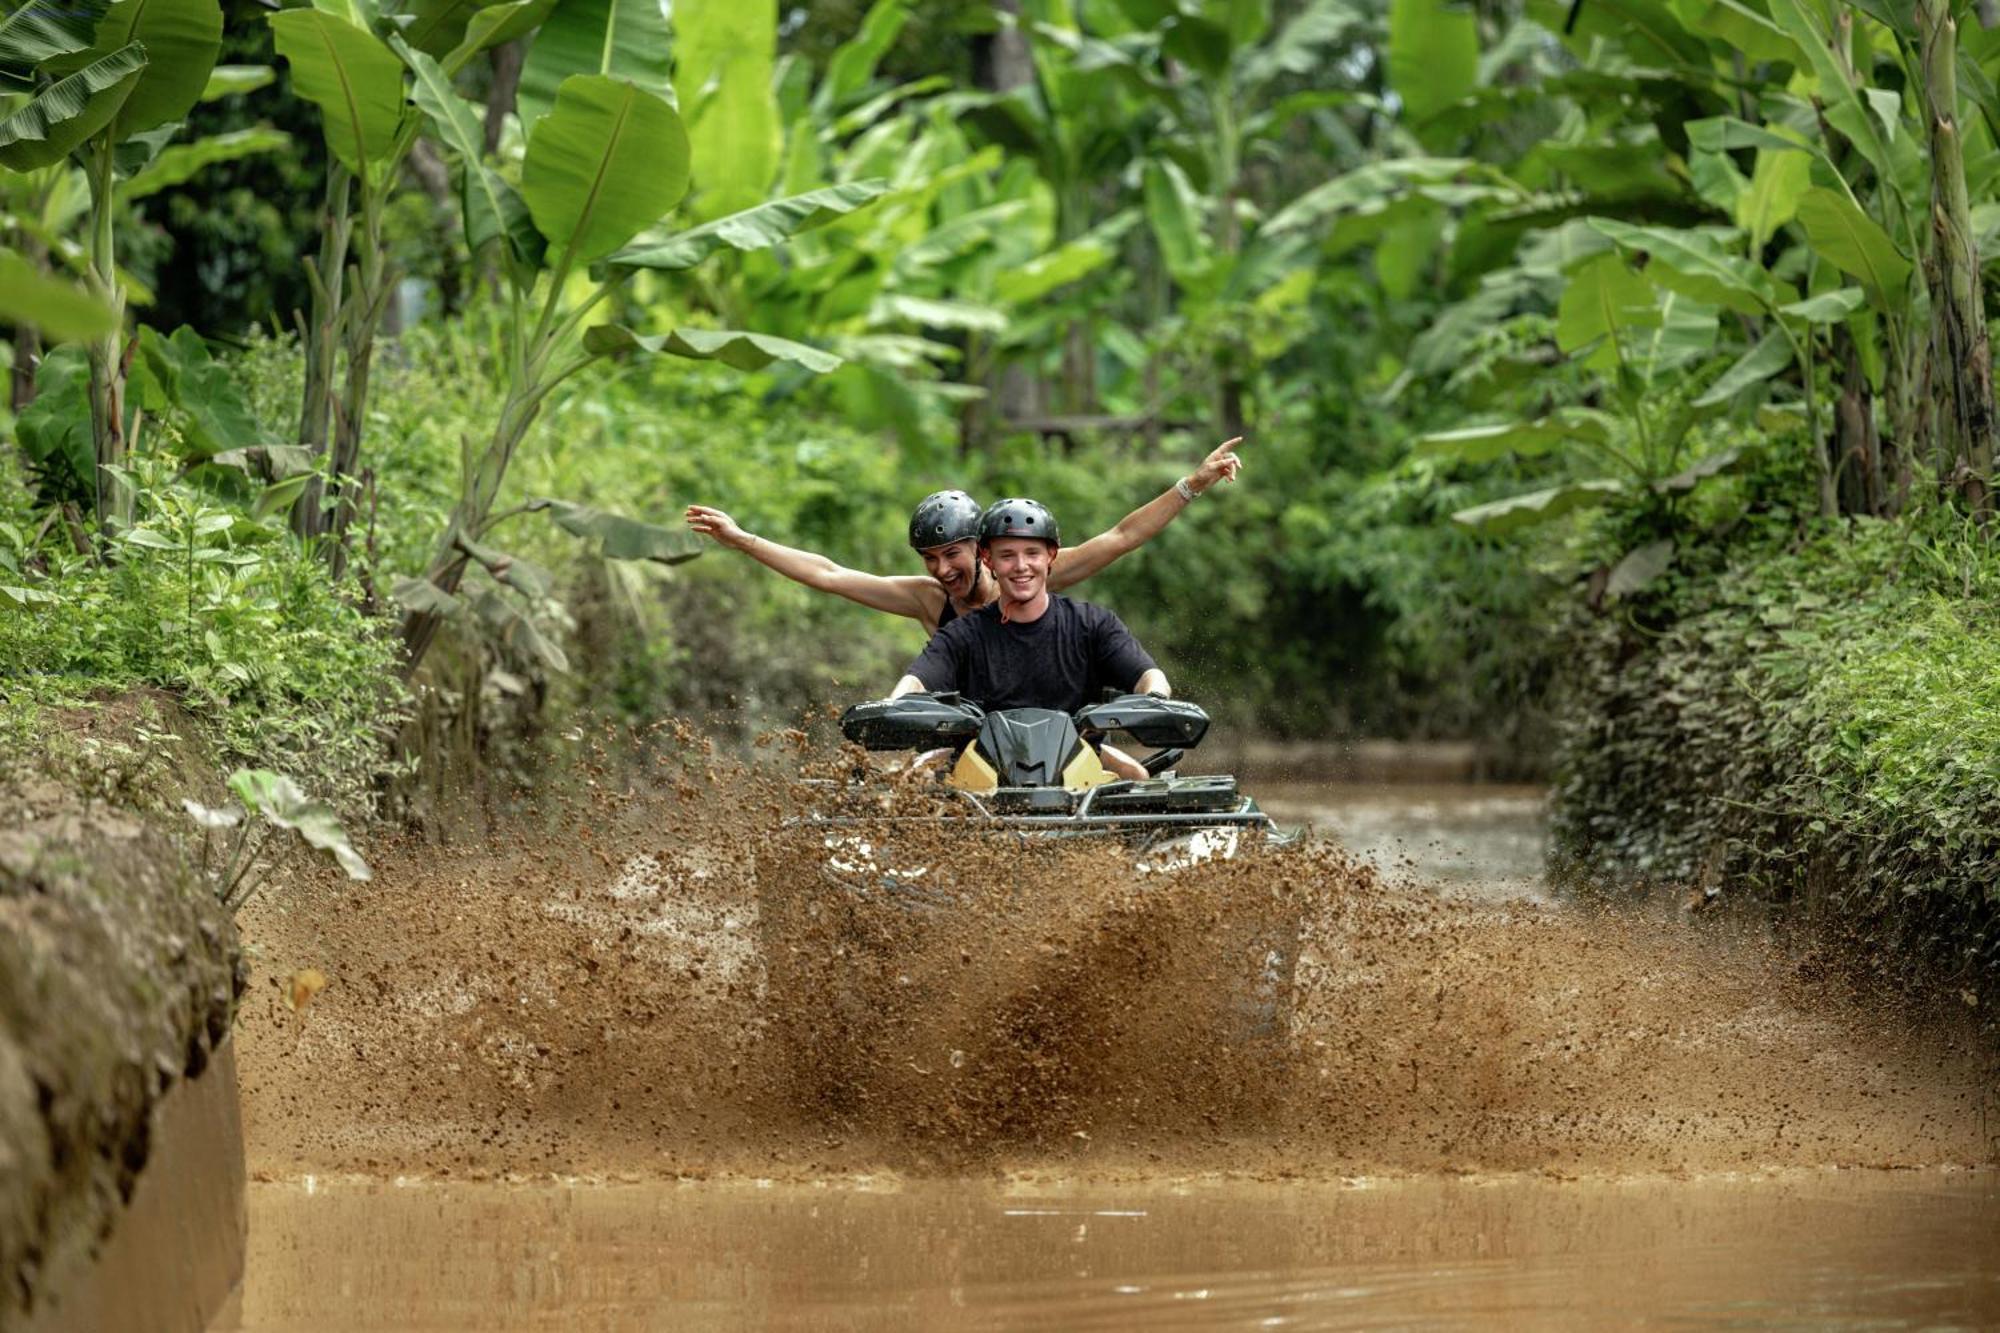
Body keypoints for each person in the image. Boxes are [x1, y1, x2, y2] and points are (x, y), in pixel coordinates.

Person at [684, 436, 1244, 634]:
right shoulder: (928, 601)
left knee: (1122, 766)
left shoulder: (1026, 573)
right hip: (968, 739)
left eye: (951, 554)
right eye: (930, 558)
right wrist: (744, 540)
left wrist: (1192, 485)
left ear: (981, 552)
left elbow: (1121, 537)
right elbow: (829, 575)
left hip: (1048, 726)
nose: (941, 570)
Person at [890, 498, 1167, 780]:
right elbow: (917, 681)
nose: (1021, 566)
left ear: (1051, 556)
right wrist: (895, 707)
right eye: (1007, 555)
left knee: (1137, 776)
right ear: (988, 560)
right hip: (976, 766)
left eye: (1032, 553)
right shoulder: (960, 635)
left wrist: (1153, 701)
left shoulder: (1093, 625)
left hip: (1080, 761)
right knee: (910, 779)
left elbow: (1150, 677)